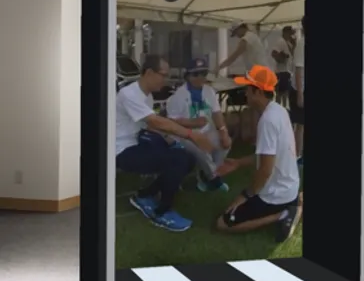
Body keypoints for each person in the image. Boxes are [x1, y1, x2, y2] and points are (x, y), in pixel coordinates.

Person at [116, 54, 213, 232]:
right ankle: (161, 212)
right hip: (121, 150)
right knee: (178, 160)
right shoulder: (129, 94)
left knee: (187, 157)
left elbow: (150, 125)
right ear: (149, 73)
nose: (166, 80)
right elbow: (156, 121)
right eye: (163, 75)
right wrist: (191, 135)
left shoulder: (147, 96)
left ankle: (145, 195)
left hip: (138, 141)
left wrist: (171, 139)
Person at [216, 65, 302, 243]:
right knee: (236, 206)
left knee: (222, 223)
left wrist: (246, 195)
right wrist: (238, 163)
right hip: (290, 188)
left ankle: (283, 214)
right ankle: (295, 203)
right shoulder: (279, 110)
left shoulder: (268, 121)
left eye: (248, 89)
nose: (245, 93)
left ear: (258, 92)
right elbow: (268, 156)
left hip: (277, 195)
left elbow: (265, 170)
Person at [166, 57, 232, 192]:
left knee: (224, 143)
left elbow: (217, 113)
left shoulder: (209, 91)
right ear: (188, 76)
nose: (200, 77)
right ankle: (213, 178)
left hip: (206, 130)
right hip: (185, 134)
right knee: (201, 148)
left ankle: (206, 174)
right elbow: (171, 121)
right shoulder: (179, 95)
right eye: (196, 74)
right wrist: (192, 123)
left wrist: (223, 131)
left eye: (203, 73)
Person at [289, 16, 305, 167]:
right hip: (299, 89)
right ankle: (297, 155)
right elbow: (299, 70)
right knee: (300, 124)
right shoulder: (301, 44)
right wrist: (300, 94)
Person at [271, 25, 296, 107]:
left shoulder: (288, 43)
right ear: (285, 33)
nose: (291, 35)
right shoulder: (280, 42)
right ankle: (278, 108)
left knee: (285, 92)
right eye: (290, 33)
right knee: (280, 92)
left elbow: (292, 54)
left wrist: (294, 44)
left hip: (287, 71)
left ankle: (284, 108)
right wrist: (281, 59)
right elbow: (274, 53)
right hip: (281, 71)